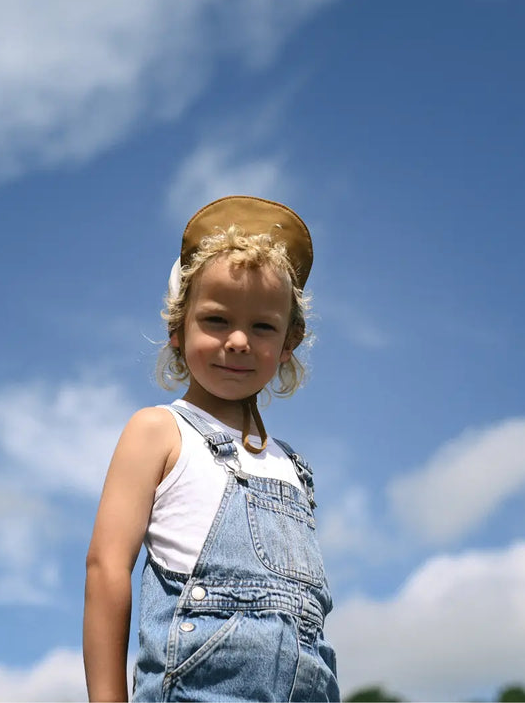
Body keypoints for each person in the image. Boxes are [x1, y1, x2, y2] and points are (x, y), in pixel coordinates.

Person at [83, 196, 340, 702]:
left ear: (288, 343)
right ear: (178, 330)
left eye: (263, 326)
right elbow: (107, 568)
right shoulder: (159, 431)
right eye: (217, 320)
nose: (239, 340)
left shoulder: (294, 469)